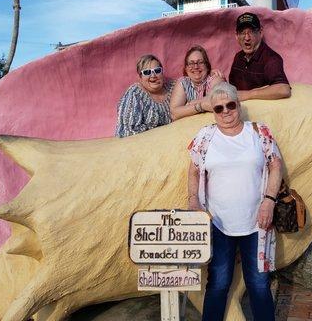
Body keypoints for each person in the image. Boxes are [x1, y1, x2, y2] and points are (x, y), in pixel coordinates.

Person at [187, 81, 283, 321]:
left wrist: (269, 201)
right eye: (218, 108)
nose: (226, 111)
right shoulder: (205, 136)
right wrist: (193, 201)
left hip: (257, 222)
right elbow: (194, 170)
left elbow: (276, 165)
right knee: (218, 283)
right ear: (213, 111)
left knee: (259, 284)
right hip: (219, 223)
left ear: (238, 105)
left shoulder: (259, 132)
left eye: (230, 104)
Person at [229, 12, 291, 101]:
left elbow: (284, 89)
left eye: (251, 32)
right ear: (236, 36)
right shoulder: (238, 57)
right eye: (242, 32)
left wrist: (248, 95)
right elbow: (232, 87)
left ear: (260, 32)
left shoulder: (271, 58)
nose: (247, 38)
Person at [115, 54, 174, 138]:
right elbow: (126, 131)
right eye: (147, 72)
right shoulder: (135, 94)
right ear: (140, 77)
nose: (153, 76)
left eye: (157, 70)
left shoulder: (173, 87)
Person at [169, 45, 224, 120]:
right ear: (186, 68)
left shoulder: (215, 79)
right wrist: (201, 106)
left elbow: (216, 101)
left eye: (200, 62)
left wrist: (190, 105)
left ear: (207, 66)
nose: (196, 67)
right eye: (191, 63)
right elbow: (174, 113)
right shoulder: (183, 83)